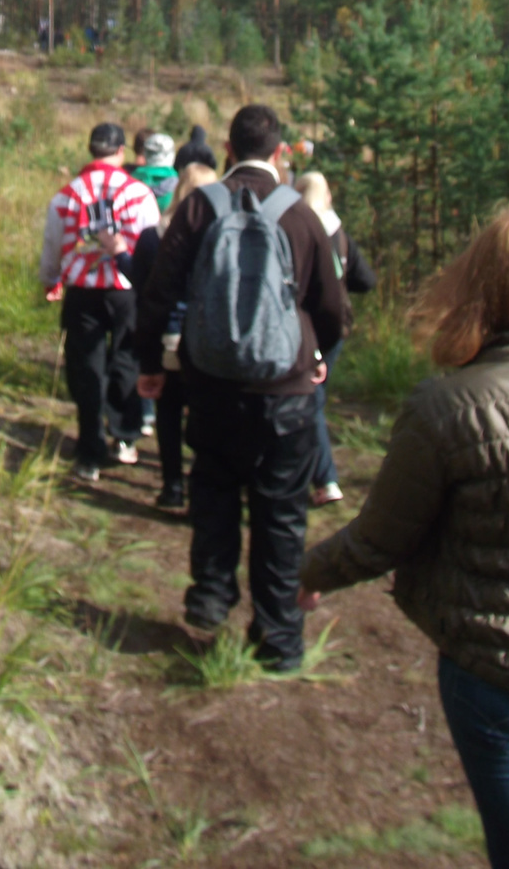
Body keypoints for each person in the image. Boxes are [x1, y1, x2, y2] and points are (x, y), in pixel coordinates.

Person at [299, 210, 509, 869]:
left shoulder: (447, 408)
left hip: (501, 676)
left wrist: (304, 574)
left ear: (475, 293)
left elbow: (380, 540)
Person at [135, 103, 345, 670]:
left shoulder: (199, 209)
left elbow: (158, 292)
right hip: (287, 391)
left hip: (212, 384)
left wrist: (150, 360)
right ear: (280, 153)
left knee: (215, 488)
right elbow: (331, 306)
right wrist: (319, 353)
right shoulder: (300, 215)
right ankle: (278, 641)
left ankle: (210, 593)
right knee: (281, 514)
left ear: (227, 150)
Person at [40, 121, 161, 482]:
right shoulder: (139, 194)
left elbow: (52, 242)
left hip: (82, 290)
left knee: (86, 368)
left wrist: (51, 279)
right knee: (126, 357)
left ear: (91, 150)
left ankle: (89, 450)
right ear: (121, 151)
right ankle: (124, 437)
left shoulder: (67, 195)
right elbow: (151, 245)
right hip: (125, 288)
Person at [121, 160, 218, 510]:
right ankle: (204, 488)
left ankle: (172, 485)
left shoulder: (154, 235)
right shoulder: (224, 231)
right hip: (211, 337)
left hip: (170, 336)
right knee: (208, 416)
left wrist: (145, 352)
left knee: (168, 411)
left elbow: (146, 292)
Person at [294, 171, 377, 506]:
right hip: (336, 329)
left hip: (306, 328)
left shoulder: (297, 229)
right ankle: (314, 470)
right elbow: (366, 280)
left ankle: (325, 479)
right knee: (313, 399)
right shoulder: (339, 233)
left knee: (309, 402)